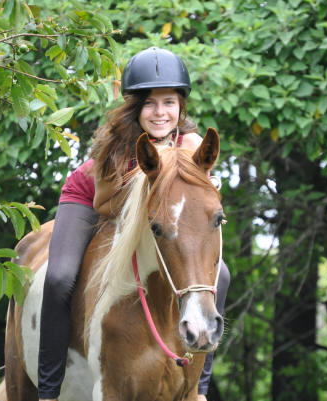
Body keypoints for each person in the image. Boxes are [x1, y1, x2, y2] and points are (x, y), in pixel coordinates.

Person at [38, 47, 231, 401]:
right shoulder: (116, 145)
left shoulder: (189, 143)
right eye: (150, 103)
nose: (161, 113)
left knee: (223, 275)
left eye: (169, 102)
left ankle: (200, 386)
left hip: (153, 219)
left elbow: (192, 200)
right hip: (90, 201)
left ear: (181, 106)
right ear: (135, 107)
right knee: (59, 277)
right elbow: (103, 202)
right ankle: (48, 389)